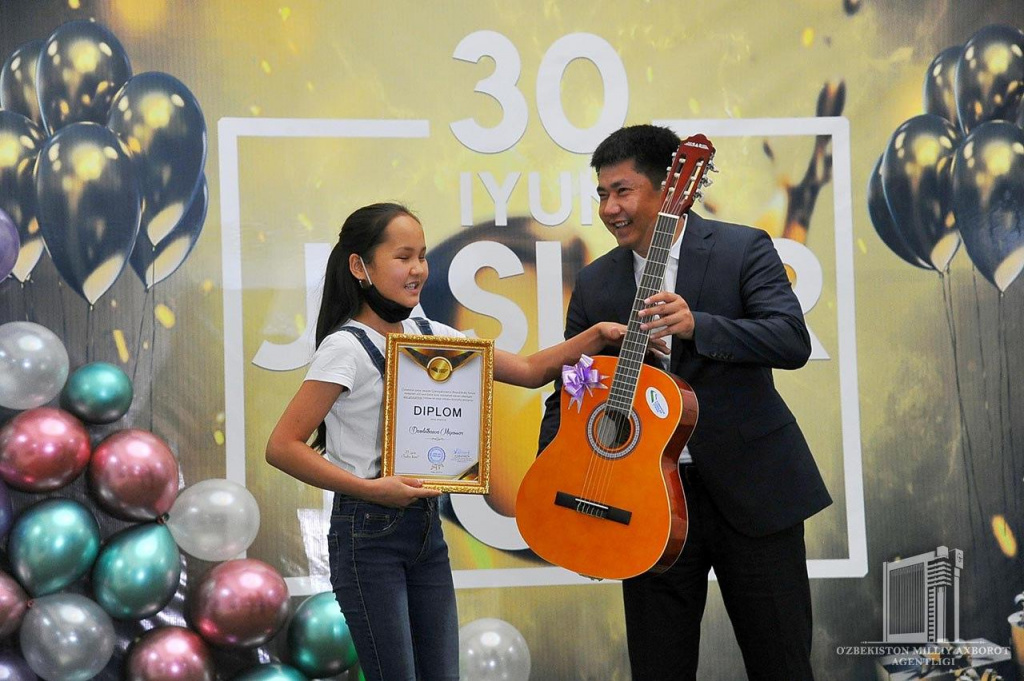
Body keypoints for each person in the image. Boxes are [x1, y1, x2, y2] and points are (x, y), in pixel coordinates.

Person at [265, 202, 637, 681]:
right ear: (360, 267)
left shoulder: (432, 334)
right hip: (367, 534)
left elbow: (526, 372)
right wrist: (371, 489)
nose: (418, 268)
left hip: (424, 531)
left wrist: (596, 335)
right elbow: (283, 445)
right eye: (403, 257)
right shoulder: (346, 347)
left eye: (421, 255)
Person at [537, 125, 832, 680]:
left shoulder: (742, 248)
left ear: (671, 188)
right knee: (658, 667)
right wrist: (563, 479)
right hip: (642, 504)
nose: (609, 208)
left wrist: (700, 326)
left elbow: (790, 340)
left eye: (622, 191)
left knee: (782, 663)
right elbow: (570, 393)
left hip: (753, 493)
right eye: (601, 194)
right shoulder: (597, 282)